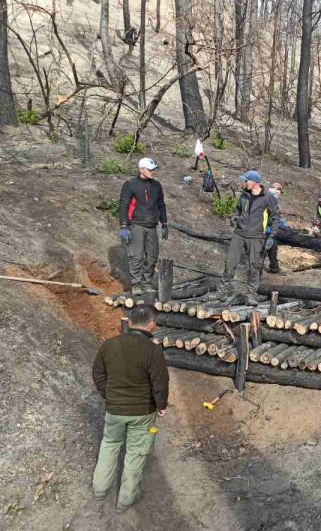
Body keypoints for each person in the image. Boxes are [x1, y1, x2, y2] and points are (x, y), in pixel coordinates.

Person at [91, 305, 168, 514]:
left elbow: (97, 372)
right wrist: (161, 406)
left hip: (114, 410)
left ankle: (99, 490)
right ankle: (125, 499)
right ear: (152, 324)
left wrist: (107, 394)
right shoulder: (153, 350)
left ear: (129, 321)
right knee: (136, 452)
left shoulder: (109, 344)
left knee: (109, 444)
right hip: (142, 412)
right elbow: (160, 382)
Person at [218, 170, 280, 299]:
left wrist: (272, 236)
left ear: (255, 182)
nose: (244, 183)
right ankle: (222, 291)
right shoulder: (244, 195)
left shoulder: (268, 197)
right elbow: (238, 210)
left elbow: (275, 218)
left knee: (254, 266)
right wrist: (234, 217)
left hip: (257, 237)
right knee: (230, 262)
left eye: (246, 180)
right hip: (239, 234)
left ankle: (251, 294)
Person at [119, 158, 168, 295]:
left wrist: (164, 223)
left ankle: (146, 283)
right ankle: (136, 284)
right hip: (136, 225)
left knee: (152, 256)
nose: (153, 172)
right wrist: (124, 226)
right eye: (150, 169)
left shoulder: (157, 185)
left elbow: (161, 204)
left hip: (152, 225)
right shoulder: (130, 184)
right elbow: (124, 205)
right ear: (141, 169)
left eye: (154, 169)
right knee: (137, 255)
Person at [265, 183, 288, 274]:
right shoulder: (269, 200)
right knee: (272, 247)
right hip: (263, 229)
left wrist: (284, 225)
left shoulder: (265, 196)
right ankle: (274, 268)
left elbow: (276, 216)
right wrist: (282, 226)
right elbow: (272, 218)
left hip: (265, 228)